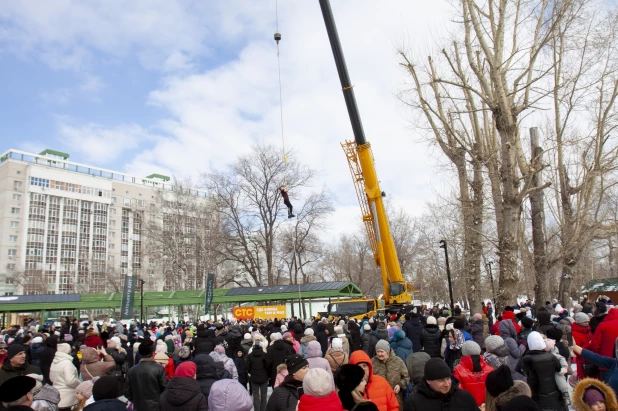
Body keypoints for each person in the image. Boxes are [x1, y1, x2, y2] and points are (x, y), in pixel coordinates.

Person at [404, 358, 478, 411]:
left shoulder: (465, 397)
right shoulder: (414, 403)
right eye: (441, 380)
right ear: (428, 381)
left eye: (448, 378)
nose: (447, 384)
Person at [522, 331, 567, 411]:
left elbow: (522, 371)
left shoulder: (527, 358)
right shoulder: (551, 356)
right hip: (554, 394)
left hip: (537, 395)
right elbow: (558, 367)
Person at [124, 339, 168, 411]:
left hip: (139, 406)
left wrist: (136, 400)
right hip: (155, 406)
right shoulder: (159, 368)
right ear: (153, 353)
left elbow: (127, 392)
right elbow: (165, 388)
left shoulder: (132, 370)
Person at [452, 341, 493, 406]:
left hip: (468, 406)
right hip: (485, 406)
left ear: (463, 352)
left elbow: (458, 392)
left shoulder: (457, 370)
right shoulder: (490, 369)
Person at [372, 340, 409, 409]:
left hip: (396, 398)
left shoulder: (398, 361)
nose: (379, 354)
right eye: (378, 351)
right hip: (379, 399)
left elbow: (406, 377)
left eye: (381, 351)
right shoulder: (372, 362)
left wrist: (400, 385)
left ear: (387, 351)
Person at [49, 343, 80, 410]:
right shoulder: (67, 363)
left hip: (56, 395)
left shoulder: (54, 362)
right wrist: (79, 383)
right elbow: (70, 380)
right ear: (68, 351)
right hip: (68, 397)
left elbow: (51, 377)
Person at [247, 341, 269, 411]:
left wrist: (251, 372)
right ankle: (263, 409)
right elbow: (267, 366)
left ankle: (257, 409)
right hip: (264, 376)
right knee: (264, 394)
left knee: (255, 395)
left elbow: (247, 367)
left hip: (254, 377)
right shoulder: (264, 355)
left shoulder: (250, 355)